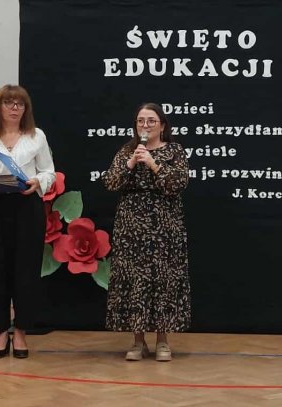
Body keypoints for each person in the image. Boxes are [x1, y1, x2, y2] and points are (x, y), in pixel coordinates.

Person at [0, 85, 54, 359]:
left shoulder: (36, 136)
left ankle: (21, 332)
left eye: (20, 104)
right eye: (9, 103)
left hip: (27, 207)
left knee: (26, 271)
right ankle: (0, 332)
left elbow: (49, 171)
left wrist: (38, 181)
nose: (15, 108)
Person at [103, 102, 191, 362]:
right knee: (135, 280)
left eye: (151, 121)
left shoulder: (174, 150)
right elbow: (110, 183)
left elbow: (178, 183)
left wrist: (153, 164)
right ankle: (137, 341)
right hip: (131, 225)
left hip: (165, 224)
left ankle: (163, 341)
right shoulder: (127, 150)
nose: (145, 125)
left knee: (163, 279)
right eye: (141, 121)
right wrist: (131, 162)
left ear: (162, 125)